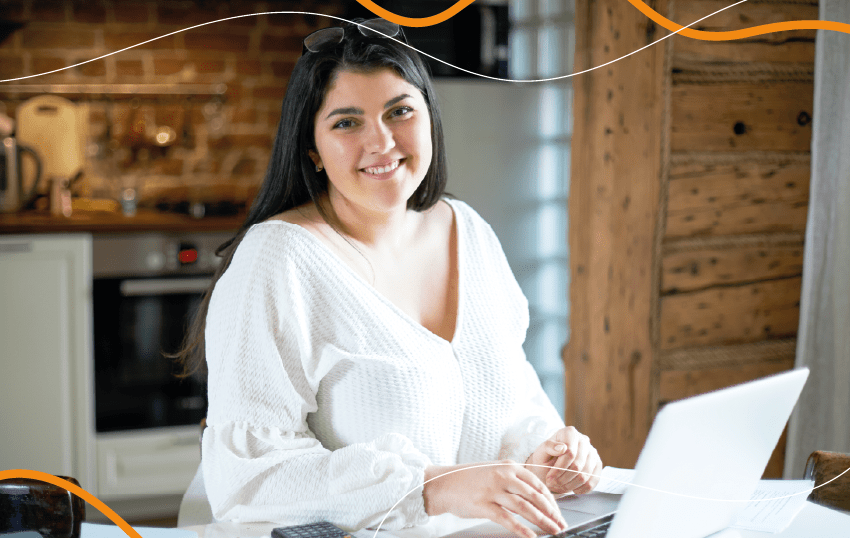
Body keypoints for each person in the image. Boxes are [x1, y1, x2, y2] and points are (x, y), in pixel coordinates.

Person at [175, 18, 602, 538]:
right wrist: (431, 487)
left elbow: (510, 397)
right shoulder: (277, 259)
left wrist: (547, 451)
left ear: (429, 120)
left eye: (399, 112)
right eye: (346, 123)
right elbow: (246, 478)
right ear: (312, 150)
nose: (381, 141)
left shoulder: (468, 230)